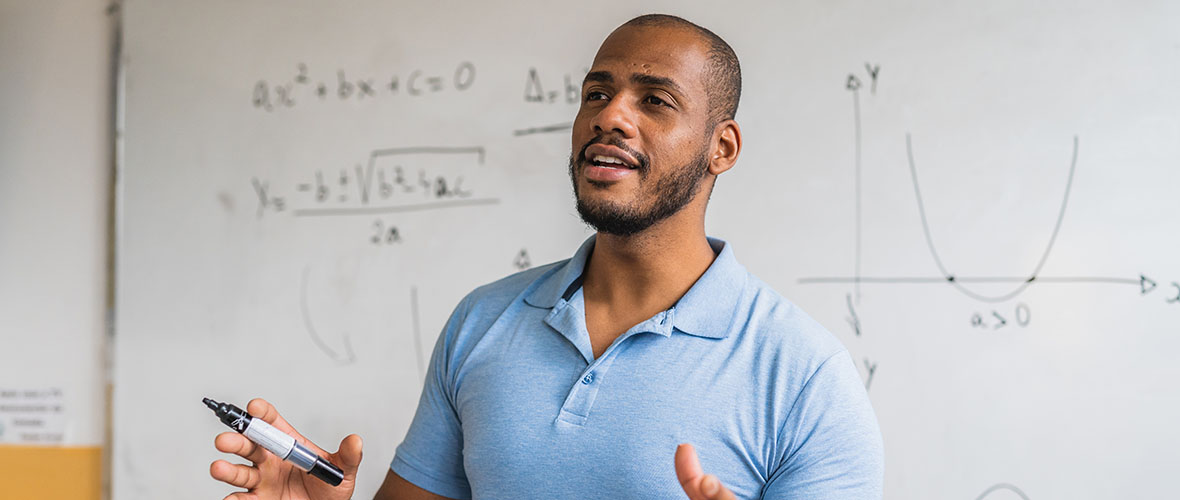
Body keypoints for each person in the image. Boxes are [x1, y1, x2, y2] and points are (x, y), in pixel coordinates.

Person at [210, 13, 883, 500]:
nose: (610, 115)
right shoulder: (482, 322)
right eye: (597, 92)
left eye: (655, 100)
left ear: (723, 148)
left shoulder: (803, 376)